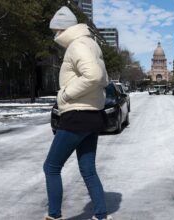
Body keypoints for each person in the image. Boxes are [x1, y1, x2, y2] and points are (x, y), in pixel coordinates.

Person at [43, 6, 111, 220]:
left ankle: (54, 216)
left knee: (51, 167)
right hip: (92, 116)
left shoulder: (77, 45)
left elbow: (94, 75)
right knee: (88, 170)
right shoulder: (91, 44)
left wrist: (65, 95)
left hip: (77, 115)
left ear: (64, 29)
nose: (55, 35)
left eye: (56, 30)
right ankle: (101, 215)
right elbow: (104, 80)